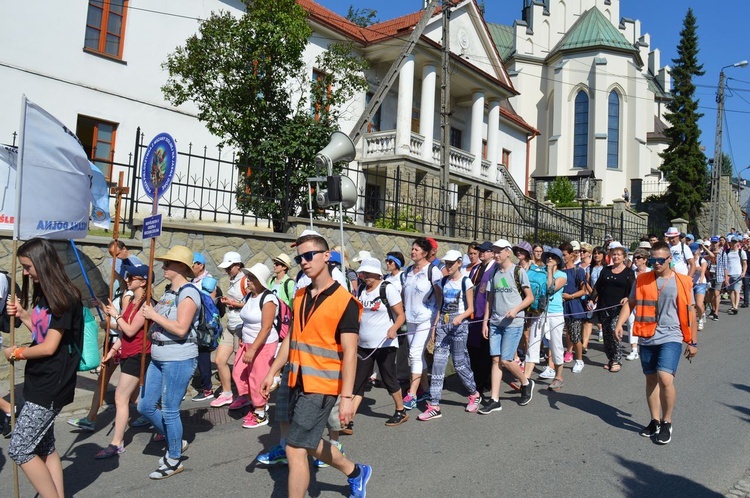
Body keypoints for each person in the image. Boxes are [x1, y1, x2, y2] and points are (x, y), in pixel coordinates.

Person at [260, 231, 371, 498]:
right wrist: (273, 370)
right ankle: (356, 472)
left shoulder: (346, 302)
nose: (304, 261)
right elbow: (291, 338)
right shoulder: (299, 296)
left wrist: (346, 398)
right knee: (305, 443)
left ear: (326, 256)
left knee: (295, 447)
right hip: (295, 379)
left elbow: (350, 352)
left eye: (309, 255)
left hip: (323, 385)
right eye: (300, 258)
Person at [4, 238, 84, 498]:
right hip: (40, 379)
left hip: (52, 384)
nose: (26, 273)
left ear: (42, 262)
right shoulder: (46, 293)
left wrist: (18, 352)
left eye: (28, 267)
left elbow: (49, 347)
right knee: (45, 446)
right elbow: (42, 334)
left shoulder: (65, 297)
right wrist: (26, 315)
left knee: (20, 448)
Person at [614, 241, 697, 445]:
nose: (657, 263)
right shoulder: (642, 279)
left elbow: (691, 312)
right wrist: (620, 323)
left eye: (661, 260)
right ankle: (655, 420)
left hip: (672, 335)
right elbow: (631, 303)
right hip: (647, 335)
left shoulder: (683, 281)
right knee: (651, 379)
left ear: (670, 259)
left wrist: (693, 341)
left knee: (664, 378)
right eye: (653, 260)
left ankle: (667, 422)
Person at [138, 245, 201, 479]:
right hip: (158, 356)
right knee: (144, 406)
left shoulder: (189, 292)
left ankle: (174, 459)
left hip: (178, 358)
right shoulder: (167, 291)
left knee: (170, 410)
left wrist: (153, 316)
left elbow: (181, 328)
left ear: (181, 267)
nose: (163, 266)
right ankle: (176, 440)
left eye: (168, 263)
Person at [95, 264, 153, 458]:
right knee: (138, 399)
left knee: (121, 397)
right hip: (127, 353)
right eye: (127, 277)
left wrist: (115, 315)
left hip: (139, 355)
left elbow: (130, 330)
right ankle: (164, 424)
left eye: (131, 277)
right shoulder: (133, 302)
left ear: (143, 282)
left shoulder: (146, 305)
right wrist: (112, 351)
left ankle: (116, 443)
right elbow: (123, 332)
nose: (127, 280)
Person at [418, 250, 480, 420]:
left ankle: (474, 393)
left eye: (452, 263)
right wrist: (434, 326)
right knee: (438, 363)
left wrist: (460, 318)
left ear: (459, 263)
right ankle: (434, 405)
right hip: (444, 324)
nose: (449, 266)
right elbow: (440, 305)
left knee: (460, 363)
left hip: (459, 325)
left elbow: (470, 309)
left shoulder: (466, 282)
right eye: (446, 263)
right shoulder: (443, 281)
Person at [479, 239, 535, 414]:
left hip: (513, 322)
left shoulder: (518, 272)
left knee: (506, 360)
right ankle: (495, 400)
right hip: (495, 323)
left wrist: (516, 309)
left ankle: (526, 382)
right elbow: (490, 298)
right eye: (494, 251)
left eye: (498, 251)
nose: (495, 254)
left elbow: (529, 297)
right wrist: (485, 322)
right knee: (496, 360)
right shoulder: (494, 272)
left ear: (507, 252)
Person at [351, 257, 407, 426]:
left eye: (368, 273)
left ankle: (400, 410)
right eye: (363, 273)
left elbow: (401, 315)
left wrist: (393, 329)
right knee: (359, 380)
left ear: (376, 274)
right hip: (364, 344)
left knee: (389, 378)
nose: (364, 276)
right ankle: (348, 418)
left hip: (385, 344)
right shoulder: (361, 289)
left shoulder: (387, 289)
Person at [235, 263, 279, 428]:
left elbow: (266, 327)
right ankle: (255, 401)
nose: (248, 281)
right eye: (248, 277)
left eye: (252, 278)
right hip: (247, 343)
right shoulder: (249, 297)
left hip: (263, 345)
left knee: (257, 378)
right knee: (239, 374)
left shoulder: (268, 298)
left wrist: (253, 349)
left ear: (261, 281)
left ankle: (260, 413)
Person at [400, 237, 443, 409]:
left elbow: (440, 299)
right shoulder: (408, 271)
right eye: (412, 249)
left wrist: (436, 321)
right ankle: (425, 389)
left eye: (417, 250)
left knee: (415, 354)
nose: (413, 252)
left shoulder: (433, 271)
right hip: (410, 319)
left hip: (427, 317)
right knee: (417, 355)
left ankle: (411, 394)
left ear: (425, 253)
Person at [590, 244, 635, 372]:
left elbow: (632, 290)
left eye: (618, 255)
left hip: (619, 308)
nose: (615, 257)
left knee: (613, 329)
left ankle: (617, 359)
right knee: (606, 333)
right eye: (613, 254)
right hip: (604, 306)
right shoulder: (606, 270)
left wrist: (627, 297)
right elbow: (598, 287)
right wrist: (591, 299)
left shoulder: (629, 272)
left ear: (624, 257)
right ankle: (610, 359)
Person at [211, 251, 247, 408]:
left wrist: (232, 303)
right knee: (219, 360)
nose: (226, 271)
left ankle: (244, 395)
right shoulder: (233, 280)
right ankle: (227, 394)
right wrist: (230, 302)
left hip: (241, 326)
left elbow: (252, 305)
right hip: (231, 325)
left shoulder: (245, 281)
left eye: (229, 267)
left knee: (240, 366)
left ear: (238, 266)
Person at [528, 248, 567, 391]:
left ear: (558, 261)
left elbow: (551, 288)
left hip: (555, 313)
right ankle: (525, 378)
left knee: (555, 345)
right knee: (533, 343)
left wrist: (550, 271)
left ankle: (558, 377)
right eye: (548, 256)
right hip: (540, 312)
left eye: (553, 257)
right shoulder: (540, 272)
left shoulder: (562, 275)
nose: (549, 258)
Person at [467, 241, 494, 394]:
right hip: (474, 313)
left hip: (486, 313)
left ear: (492, 253)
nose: (482, 253)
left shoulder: (495, 269)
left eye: (485, 250)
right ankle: (476, 379)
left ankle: (484, 381)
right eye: (480, 250)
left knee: (485, 350)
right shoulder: (476, 268)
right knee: (473, 348)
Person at [191, 252, 216, 402]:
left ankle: (207, 389)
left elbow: (210, 303)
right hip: (192, 322)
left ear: (201, 265)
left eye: (193, 264)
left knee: (203, 357)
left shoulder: (208, 280)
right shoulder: (194, 280)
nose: (191, 266)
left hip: (203, 325)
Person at [560, 242, 587, 373]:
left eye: (564, 255)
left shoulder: (578, 271)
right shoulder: (559, 271)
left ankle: (579, 360)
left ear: (571, 255)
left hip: (574, 306)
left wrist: (570, 296)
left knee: (575, 334)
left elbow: (584, 290)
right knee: (567, 333)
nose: (562, 257)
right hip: (560, 306)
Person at [724, 237, 746, 315]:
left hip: (738, 273)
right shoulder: (727, 251)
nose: (733, 243)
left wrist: (743, 272)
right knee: (730, 291)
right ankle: (733, 305)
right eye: (732, 242)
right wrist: (725, 275)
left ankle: (736, 307)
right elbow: (725, 264)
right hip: (729, 273)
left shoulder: (741, 252)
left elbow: (744, 263)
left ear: (738, 243)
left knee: (737, 290)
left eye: (735, 242)